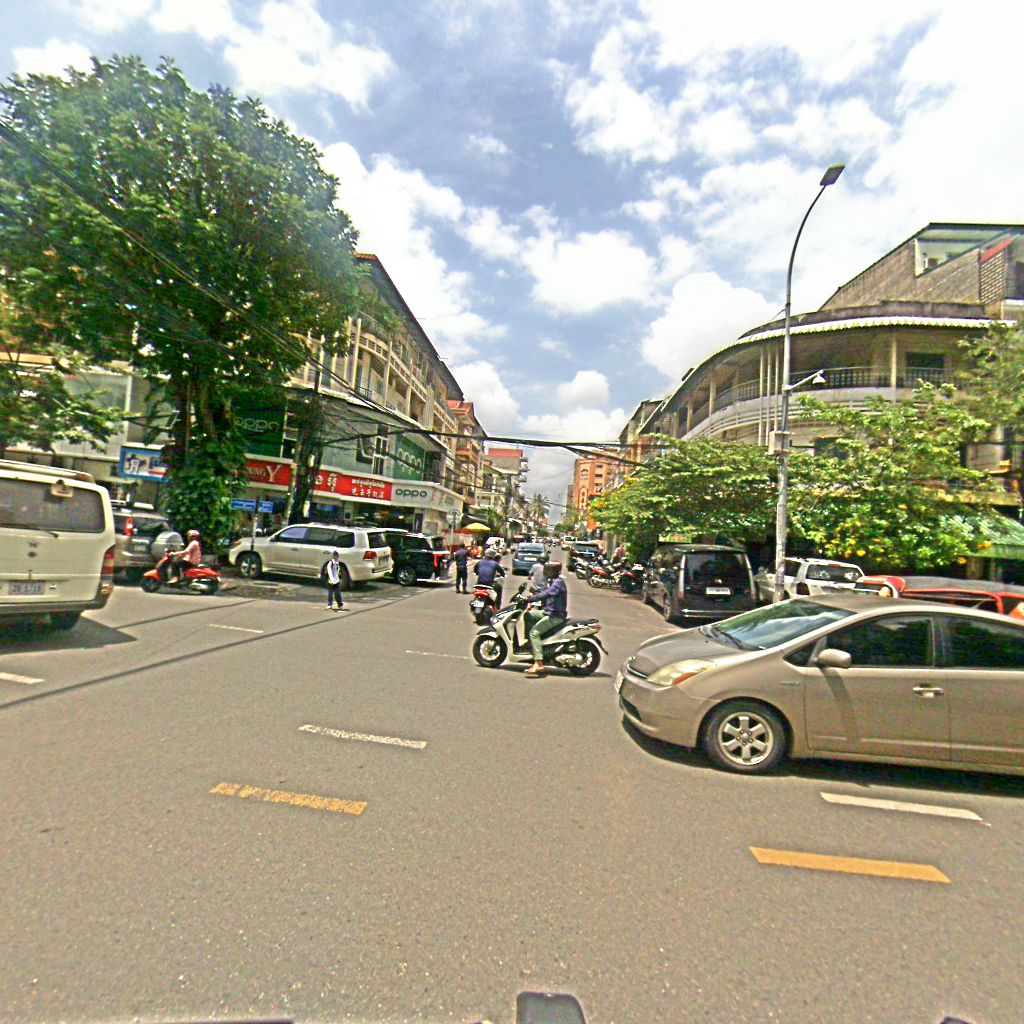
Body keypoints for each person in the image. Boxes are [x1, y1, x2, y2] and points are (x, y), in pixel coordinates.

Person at [523, 562, 567, 677]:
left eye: (548, 570)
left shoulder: (558, 583)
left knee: (534, 633)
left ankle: (539, 663)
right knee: (528, 615)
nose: (545, 572)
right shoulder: (553, 581)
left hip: (555, 616)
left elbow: (546, 594)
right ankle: (531, 644)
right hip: (548, 612)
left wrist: (529, 599)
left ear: (553, 571)